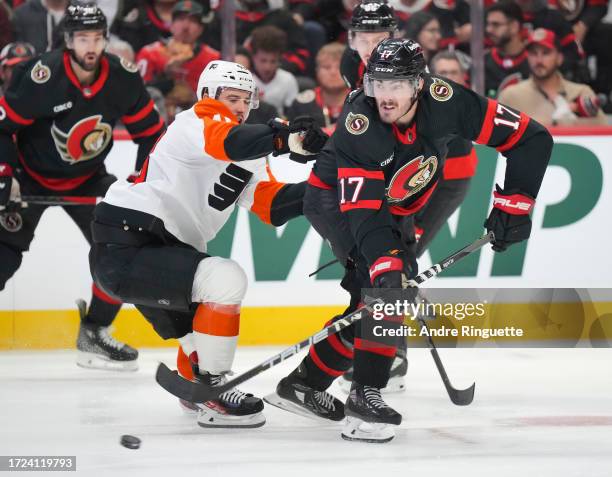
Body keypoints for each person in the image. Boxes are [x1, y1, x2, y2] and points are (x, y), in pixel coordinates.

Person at [265, 38, 552, 443]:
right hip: (336, 202)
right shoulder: (359, 124)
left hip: (396, 205)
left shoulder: (448, 100)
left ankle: (305, 383)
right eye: (377, 84)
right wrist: (386, 265)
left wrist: (515, 206)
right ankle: (366, 398)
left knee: (379, 296)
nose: (384, 96)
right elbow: (364, 211)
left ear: (419, 83)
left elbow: (530, 139)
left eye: (396, 85)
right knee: (387, 286)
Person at [88, 60, 327, 428]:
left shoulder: (249, 150)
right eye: (232, 97)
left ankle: (198, 390)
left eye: (247, 100)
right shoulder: (194, 122)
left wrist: (327, 187)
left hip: (161, 252)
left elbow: (271, 205)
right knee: (225, 278)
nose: (240, 107)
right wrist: (283, 137)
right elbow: (225, 141)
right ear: (207, 96)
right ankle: (214, 390)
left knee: (199, 347)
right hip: (128, 239)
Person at [0, 0, 164, 371]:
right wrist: (3, 172)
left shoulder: (122, 76)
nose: (90, 46)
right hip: (29, 177)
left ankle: (95, 332)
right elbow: (3, 128)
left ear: (105, 39)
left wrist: (140, 183)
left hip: (88, 178)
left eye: (96, 37)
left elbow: (152, 135)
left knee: (123, 251)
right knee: (3, 256)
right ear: (67, 41)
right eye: (81, 38)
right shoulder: (42, 75)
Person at [498, 28, 607, 126]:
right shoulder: (511, 95)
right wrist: (554, 123)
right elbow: (496, 137)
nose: (539, 60)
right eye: (533, 53)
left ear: (559, 58)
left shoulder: (581, 92)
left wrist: (572, 122)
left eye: (546, 53)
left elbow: (603, 134)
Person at [136, 0, 220, 121]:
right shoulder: (150, 53)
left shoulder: (213, 58)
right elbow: (139, 93)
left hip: (197, 119)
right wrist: (164, 76)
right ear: (171, 25)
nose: (186, 26)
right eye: (180, 19)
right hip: (158, 117)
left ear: (201, 29)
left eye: (193, 21)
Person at [285, 42, 349, 135]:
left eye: (339, 67)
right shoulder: (300, 104)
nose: (333, 72)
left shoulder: (361, 103)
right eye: (327, 67)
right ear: (317, 71)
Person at [340, 0, 398, 91]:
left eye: (379, 41)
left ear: (393, 39)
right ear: (353, 41)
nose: (371, 50)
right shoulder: (350, 63)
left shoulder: (412, 64)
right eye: (363, 41)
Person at [249, 25, 299, 115]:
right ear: (253, 57)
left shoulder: (288, 80)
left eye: (273, 61)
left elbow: (291, 116)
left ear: (280, 59)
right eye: (263, 60)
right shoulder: (244, 81)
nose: (268, 67)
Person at [484, 1, 530, 98]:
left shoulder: (534, 61)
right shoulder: (482, 63)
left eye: (495, 24)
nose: (489, 30)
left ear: (514, 26)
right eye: (488, 24)